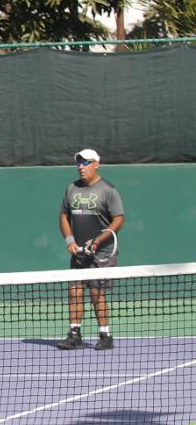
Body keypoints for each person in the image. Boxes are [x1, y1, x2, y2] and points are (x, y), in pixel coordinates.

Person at [58, 148, 125, 351]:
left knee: (97, 293)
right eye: (79, 163)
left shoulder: (108, 190)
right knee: (75, 291)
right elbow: (64, 216)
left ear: (97, 164)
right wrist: (70, 240)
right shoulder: (72, 188)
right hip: (78, 252)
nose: (81, 167)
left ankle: (105, 335)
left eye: (86, 163)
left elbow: (119, 219)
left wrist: (97, 241)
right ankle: (74, 334)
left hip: (101, 253)